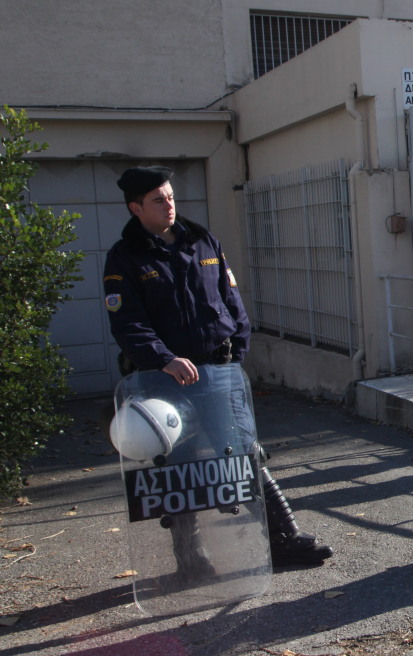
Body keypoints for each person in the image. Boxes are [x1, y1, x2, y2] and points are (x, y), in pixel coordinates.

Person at [103, 166, 333, 567]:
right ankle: (191, 556)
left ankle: (283, 539)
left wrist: (237, 348)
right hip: (166, 383)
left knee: (244, 455)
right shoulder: (125, 258)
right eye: (158, 200)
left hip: (218, 373)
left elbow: (231, 300)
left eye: (171, 196)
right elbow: (128, 324)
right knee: (181, 470)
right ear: (135, 208)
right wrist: (164, 359)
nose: (169, 205)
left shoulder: (202, 241)